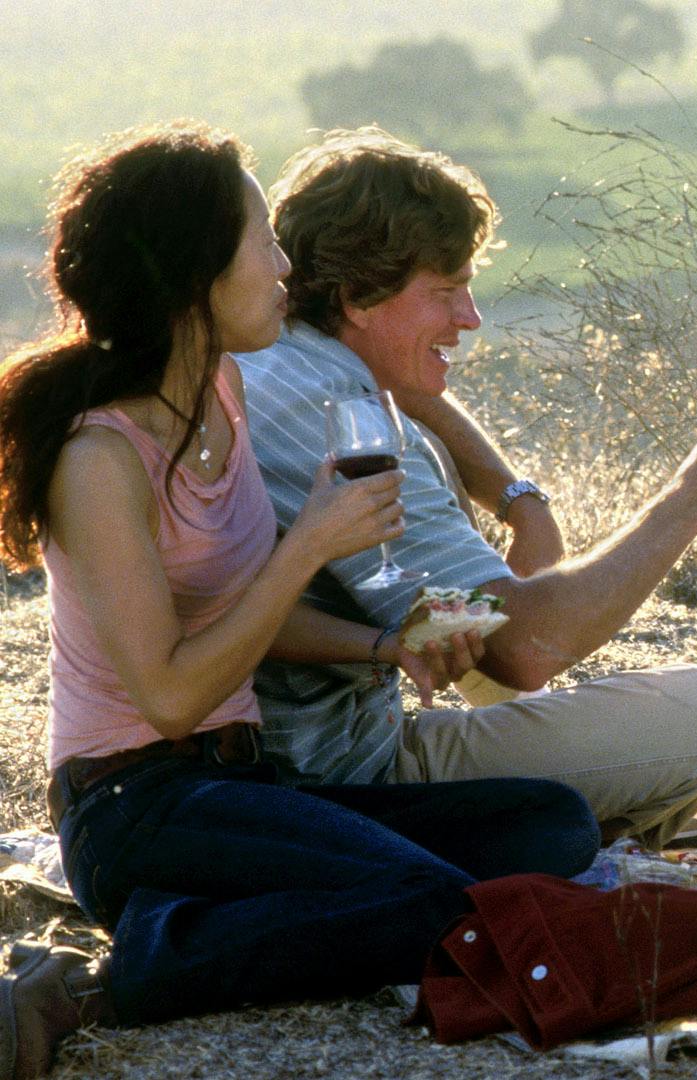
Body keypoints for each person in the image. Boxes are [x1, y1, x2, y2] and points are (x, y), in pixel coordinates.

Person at [0, 122, 599, 1078]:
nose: (285, 265)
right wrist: (310, 543)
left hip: (246, 781)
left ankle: (222, 912)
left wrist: (384, 647)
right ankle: (99, 982)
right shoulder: (99, 458)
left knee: (551, 823)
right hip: (136, 805)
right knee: (428, 901)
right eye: (262, 243)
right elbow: (169, 697)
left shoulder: (222, 390)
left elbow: (246, 618)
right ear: (196, 273)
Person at [235, 128, 697, 845]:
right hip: (348, 783)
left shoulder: (276, 357)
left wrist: (521, 502)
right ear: (359, 297)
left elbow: (416, 393)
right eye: (446, 292)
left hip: (293, 765)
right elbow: (524, 650)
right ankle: (571, 842)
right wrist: (689, 504)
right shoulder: (343, 419)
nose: (471, 317)